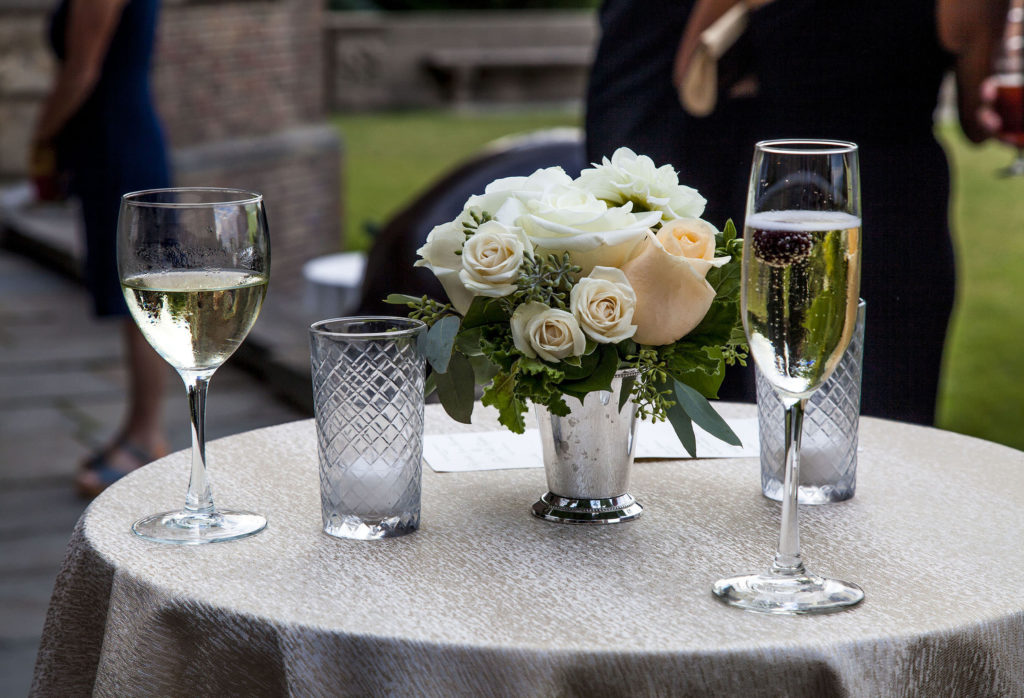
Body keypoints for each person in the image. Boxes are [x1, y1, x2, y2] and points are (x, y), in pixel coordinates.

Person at [585, 0, 1005, 426]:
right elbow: (977, 117)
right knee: (896, 398)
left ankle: (784, 480)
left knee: (778, 379)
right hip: (897, 198)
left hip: (782, 183)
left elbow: (694, 76)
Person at [30, 0, 173, 496]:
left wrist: (40, 140)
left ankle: (145, 436)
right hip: (108, 140)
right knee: (130, 296)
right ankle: (137, 431)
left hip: (120, 144)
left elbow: (82, 70)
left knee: (141, 296)